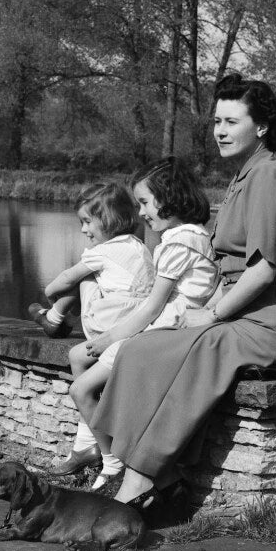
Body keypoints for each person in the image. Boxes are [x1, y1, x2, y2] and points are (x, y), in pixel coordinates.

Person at [90, 73, 276, 508]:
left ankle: (140, 482)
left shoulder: (268, 177)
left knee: (195, 352)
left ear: (261, 127)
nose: (220, 131)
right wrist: (209, 309)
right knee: (141, 349)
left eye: (231, 121)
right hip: (245, 316)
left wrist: (211, 315)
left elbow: (262, 271)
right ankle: (160, 473)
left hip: (273, 324)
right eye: (216, 122)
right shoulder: (244, 177)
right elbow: (228, 269)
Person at [69, 157, 219, 490]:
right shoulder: (191, 236)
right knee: (79, 358)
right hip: (168, 327)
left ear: (168, 198)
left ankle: (112, 462)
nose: (140, 213)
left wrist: (111, 337)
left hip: (167, 332)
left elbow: (153, 307)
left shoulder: (180, 241)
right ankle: (93, 447)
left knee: (81, 388)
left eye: (145, 202)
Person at [28, 182, 155, 478]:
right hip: (134, 327)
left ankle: (54, 317)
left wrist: (50, 293)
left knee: (85, 277)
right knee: (77, 356)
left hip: (107, 329)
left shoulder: (104, 251)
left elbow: (62, 281)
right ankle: (85, 446)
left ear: (108, 219)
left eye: (87, 222)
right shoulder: (140, 246)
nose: (84, 230)